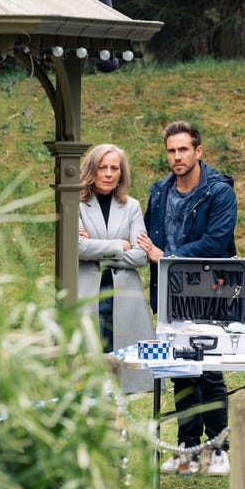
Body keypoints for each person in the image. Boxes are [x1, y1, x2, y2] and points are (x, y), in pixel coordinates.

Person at [138, 121, 238, 476]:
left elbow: (217, 241)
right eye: (171, 150)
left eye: (183, 149)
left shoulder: (219, 191)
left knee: (209, 371)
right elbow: (146, 234)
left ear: (198, 151)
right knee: (179, 370)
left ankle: (219, 447)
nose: (177, 157)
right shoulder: (160, 191)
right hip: (169, 292)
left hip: (209, 292)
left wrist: (168, 257)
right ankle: (188, 447)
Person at [77, 143, 155, 393]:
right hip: (89, 293)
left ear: (122, 173)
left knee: (121, 364)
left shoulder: (131, 205)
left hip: (123, 297)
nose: (109, 173)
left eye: (115, 168)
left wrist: (98, 252)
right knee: (90, 361)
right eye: (103, 167)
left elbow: (140, 255)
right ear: (92, 170)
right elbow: (77, 249)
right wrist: (121, 245)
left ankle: (119, 424)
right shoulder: (75, 203)